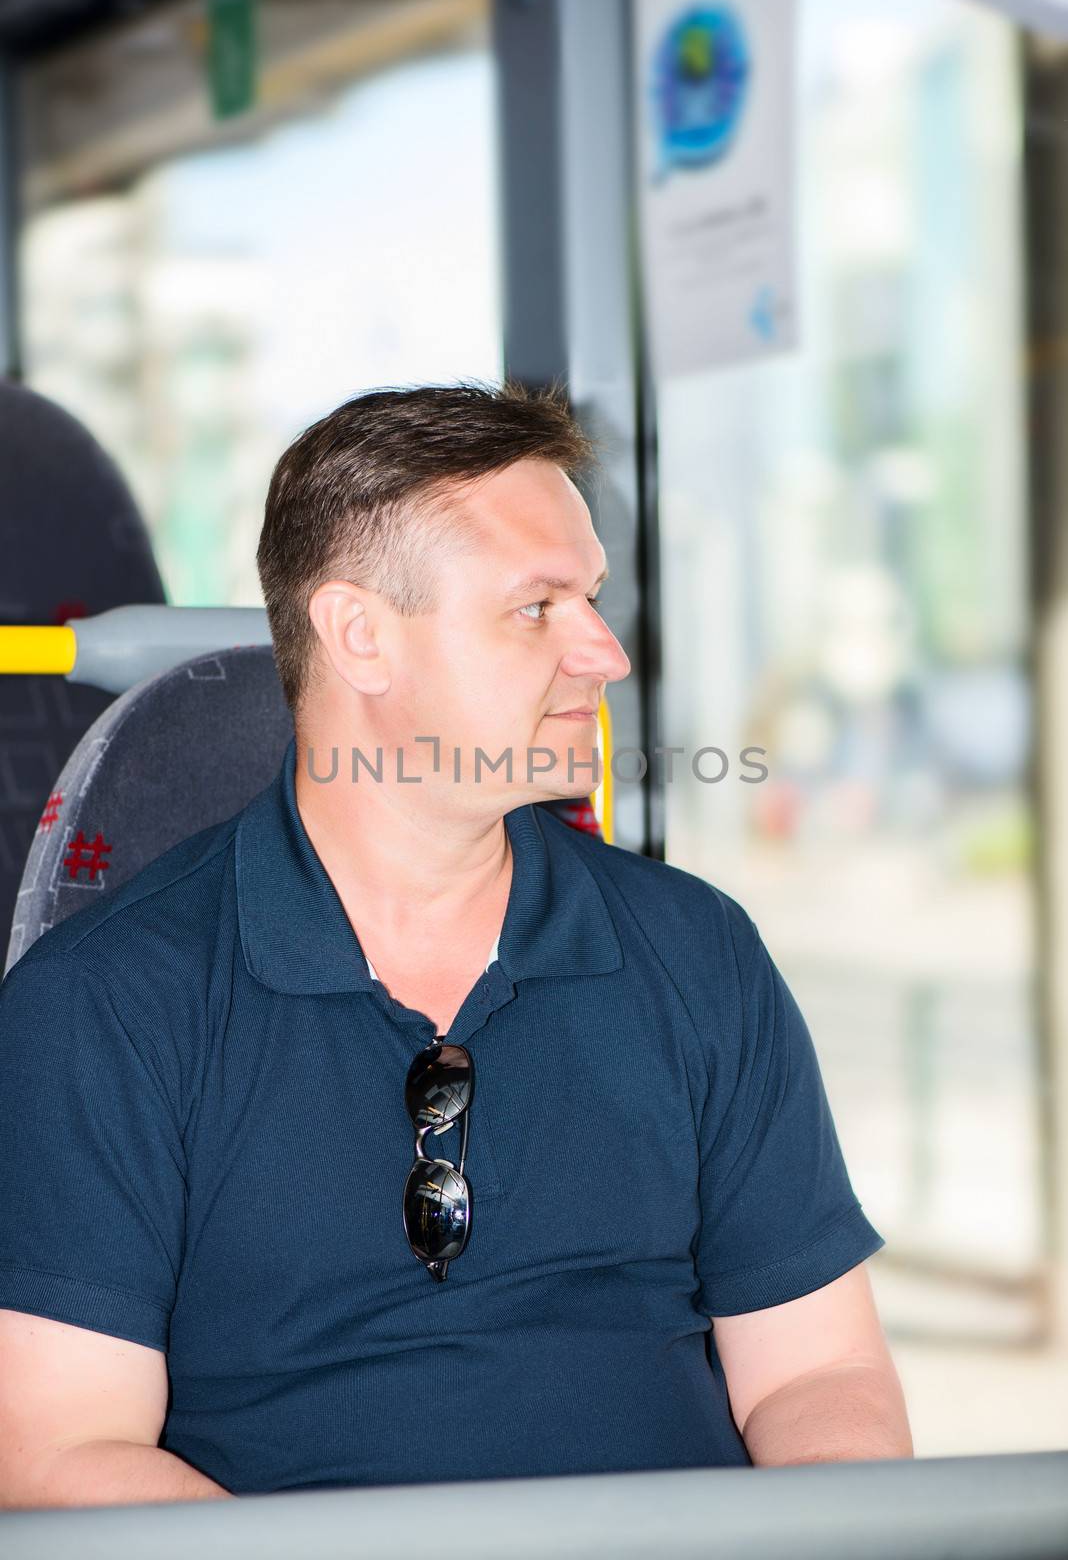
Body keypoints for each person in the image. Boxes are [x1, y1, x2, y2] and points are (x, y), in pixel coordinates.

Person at [0, 380, 911, 1509]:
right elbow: (61, 1453)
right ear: (360, 637)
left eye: (593, 598)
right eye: (538, 607)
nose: (604, 654)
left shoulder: (700, 953)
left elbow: (817, 1374)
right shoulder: (102, 1005)